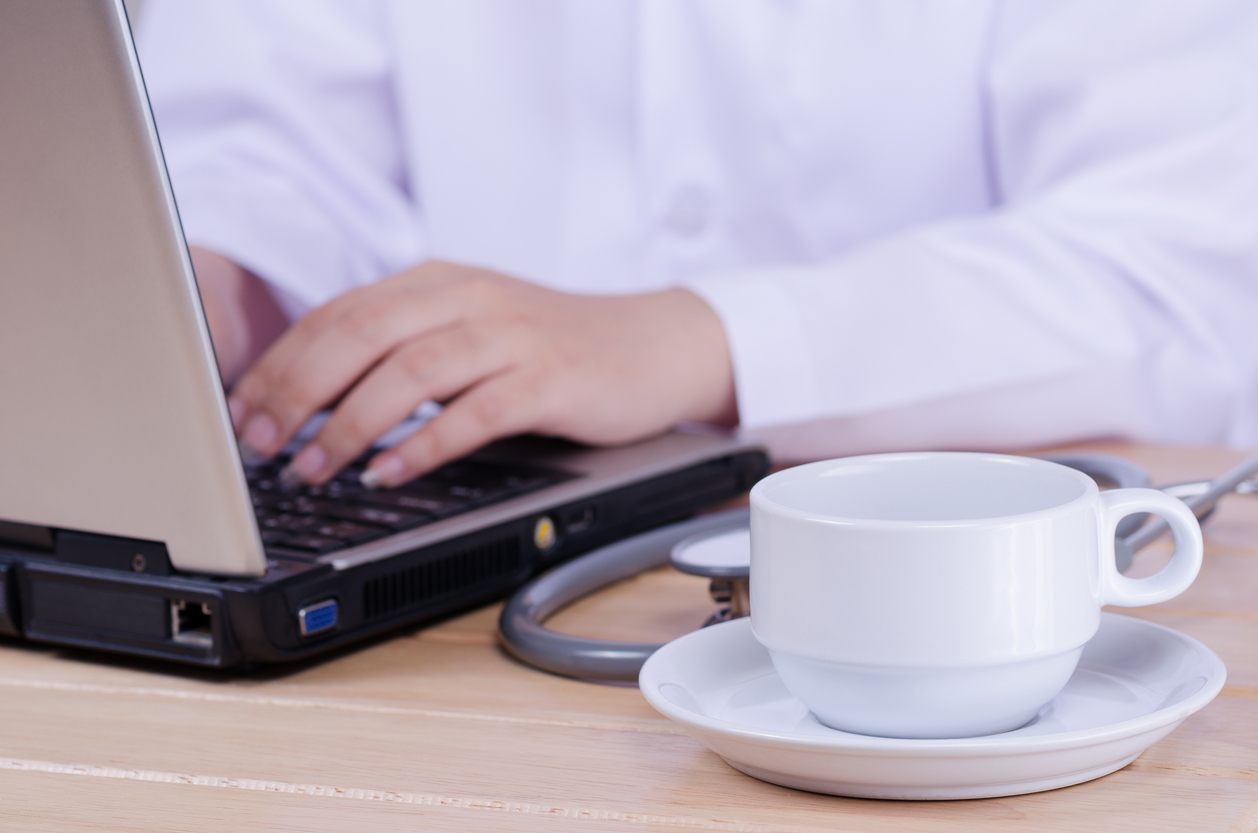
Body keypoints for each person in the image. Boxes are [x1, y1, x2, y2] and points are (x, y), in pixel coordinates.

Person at [136, 0, 1258, 490]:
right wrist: (199, 280)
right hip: (428, 509)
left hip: (977, 588)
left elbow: (1172, 282)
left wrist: (701, 341)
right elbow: (261, 145)